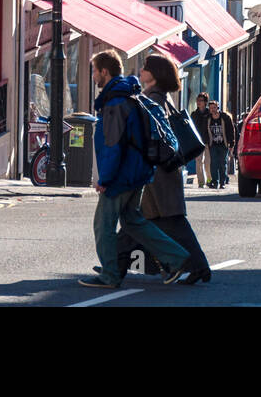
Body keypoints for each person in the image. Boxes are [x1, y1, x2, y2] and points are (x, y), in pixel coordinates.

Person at [78, 50, 191, 290]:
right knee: (133, 221)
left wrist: (105, 178)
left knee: (103, 224)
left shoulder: (116, 102)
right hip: (139, 171)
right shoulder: (131, 96)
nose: (94, 75)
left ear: (104, 72)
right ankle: (176, 258)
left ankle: (109, 275)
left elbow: (113, 145)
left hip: (122, 175)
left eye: (95, 71)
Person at [113, 53, 212, 284]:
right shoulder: (162, 98)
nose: (141, 70)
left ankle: (198, 267)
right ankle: (115, 265)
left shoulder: (151, 101)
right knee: (140, 221)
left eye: (146, 67)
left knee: (158, 221)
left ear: (155, 74)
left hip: (155, 173)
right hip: (163, 172)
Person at [206, 100, 235, 189]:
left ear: (218, 107)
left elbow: (231, 130)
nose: (212, 110)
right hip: (213, 144)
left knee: (223, 163)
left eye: (214, 107)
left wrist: (231, 142)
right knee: (213, 163)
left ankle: (222, 182)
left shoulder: (225, 117)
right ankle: (215, 182)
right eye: (211, 108)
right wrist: (206, 142)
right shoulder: (208, 118)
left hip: (223, 144)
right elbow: (205, 131)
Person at [191, 93, 211, 187]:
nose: (198, 102)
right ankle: (201, 182)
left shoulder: (209, 114)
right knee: (198, 162)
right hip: (197, 142)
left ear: (205, 102)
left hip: (207, 141)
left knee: (208, 162)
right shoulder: (194, 114)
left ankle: (209, 180)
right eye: (197, 100)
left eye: (201, 100)